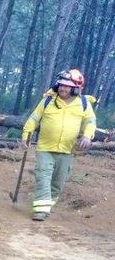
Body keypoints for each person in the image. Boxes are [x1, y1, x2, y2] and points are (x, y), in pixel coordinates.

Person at [21, 68, 96, 221]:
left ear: (76, 88)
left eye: (67, 85)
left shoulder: (83, 103)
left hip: (67, 150)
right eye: (61, 84)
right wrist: (25, 136)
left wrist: (87, 136)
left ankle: (46, 203)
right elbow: (34, 119)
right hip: (45, 148)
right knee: (43, 176)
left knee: (58, 182)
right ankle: (41, 211)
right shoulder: (48, 100)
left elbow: (90, 121)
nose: (62, 87)